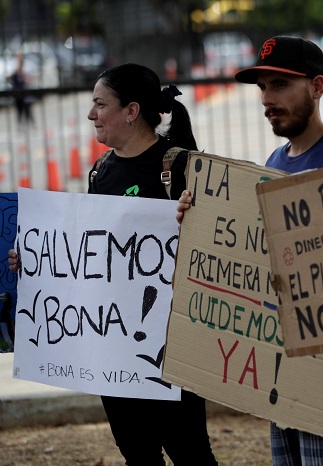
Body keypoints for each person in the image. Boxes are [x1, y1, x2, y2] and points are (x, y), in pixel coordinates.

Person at [6, 63, 219, 466]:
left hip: (167, 347)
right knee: (137, 453)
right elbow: (88, 255)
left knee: (190, 452)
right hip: (114, 349)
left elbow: (215, 241)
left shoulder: (180, 167)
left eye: (100, 104)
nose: (91, 114)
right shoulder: (101, 171)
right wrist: (36, 262)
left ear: (131, 111)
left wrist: (196, 216)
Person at [179, 35, 323, 466]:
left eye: (281, 85)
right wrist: (199, 220)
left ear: (318, 87)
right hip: (280, 360)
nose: (268, 98)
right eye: (263, 87)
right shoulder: (276, 161)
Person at [8, 53, 34, 127]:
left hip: (26, 91)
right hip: (17, 92)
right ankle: (20, 125)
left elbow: (30, 78)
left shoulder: (28, 66)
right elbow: (10, 78)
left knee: (28, 109)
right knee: (19, 110)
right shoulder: (12, 65)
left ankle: (31, 124)